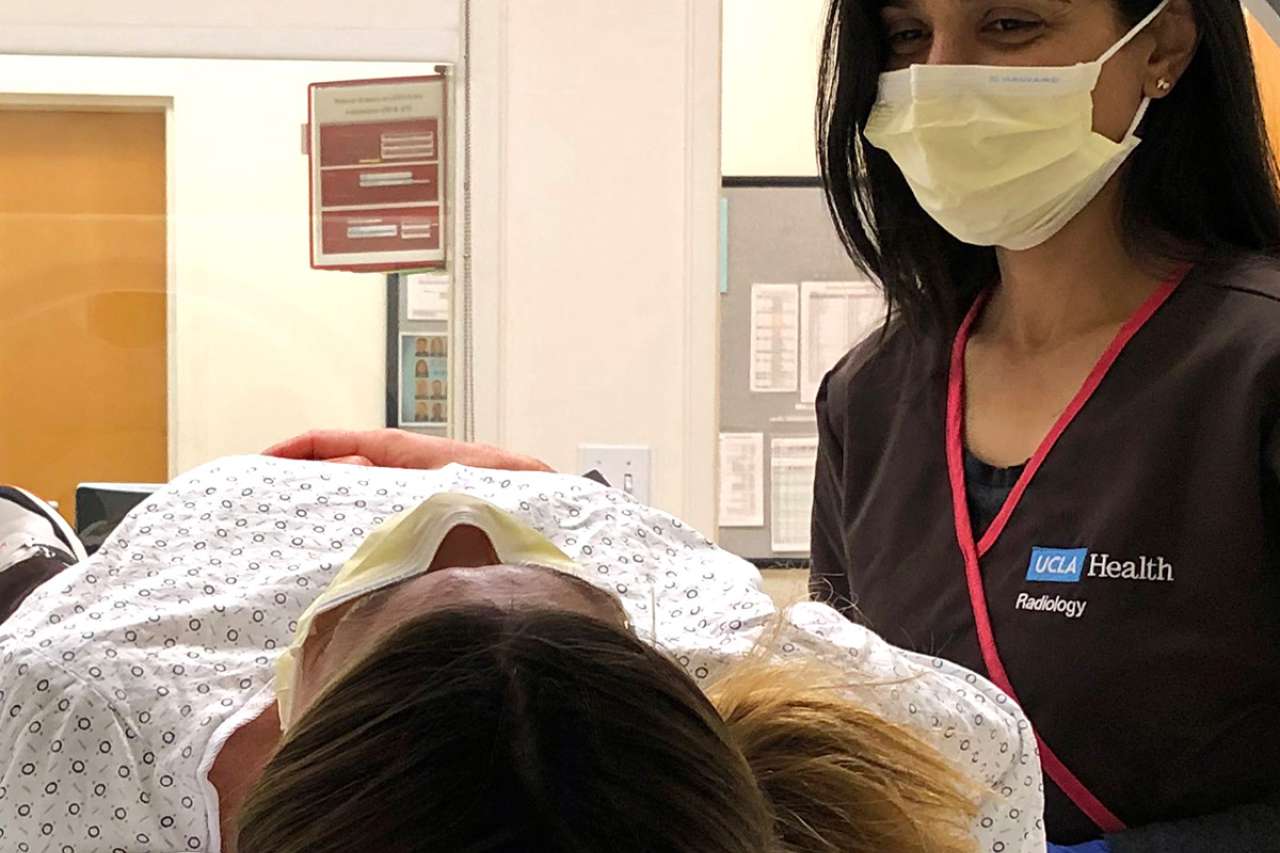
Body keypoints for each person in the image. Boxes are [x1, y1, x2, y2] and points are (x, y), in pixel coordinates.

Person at [0, 429, 1045, 852]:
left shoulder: (65, 727)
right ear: (671, 683)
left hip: (167, 545)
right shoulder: (934, 754)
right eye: (564, 600)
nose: (460, 515)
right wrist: (541, 494)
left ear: (298, 697)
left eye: (377, 607)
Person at [809, 0, 1280, 849]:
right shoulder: (869, 398)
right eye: (907, 38)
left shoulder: (1257, 368)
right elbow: (840, 736)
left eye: (1011, 25)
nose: (940, 78)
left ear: (1162, 48)